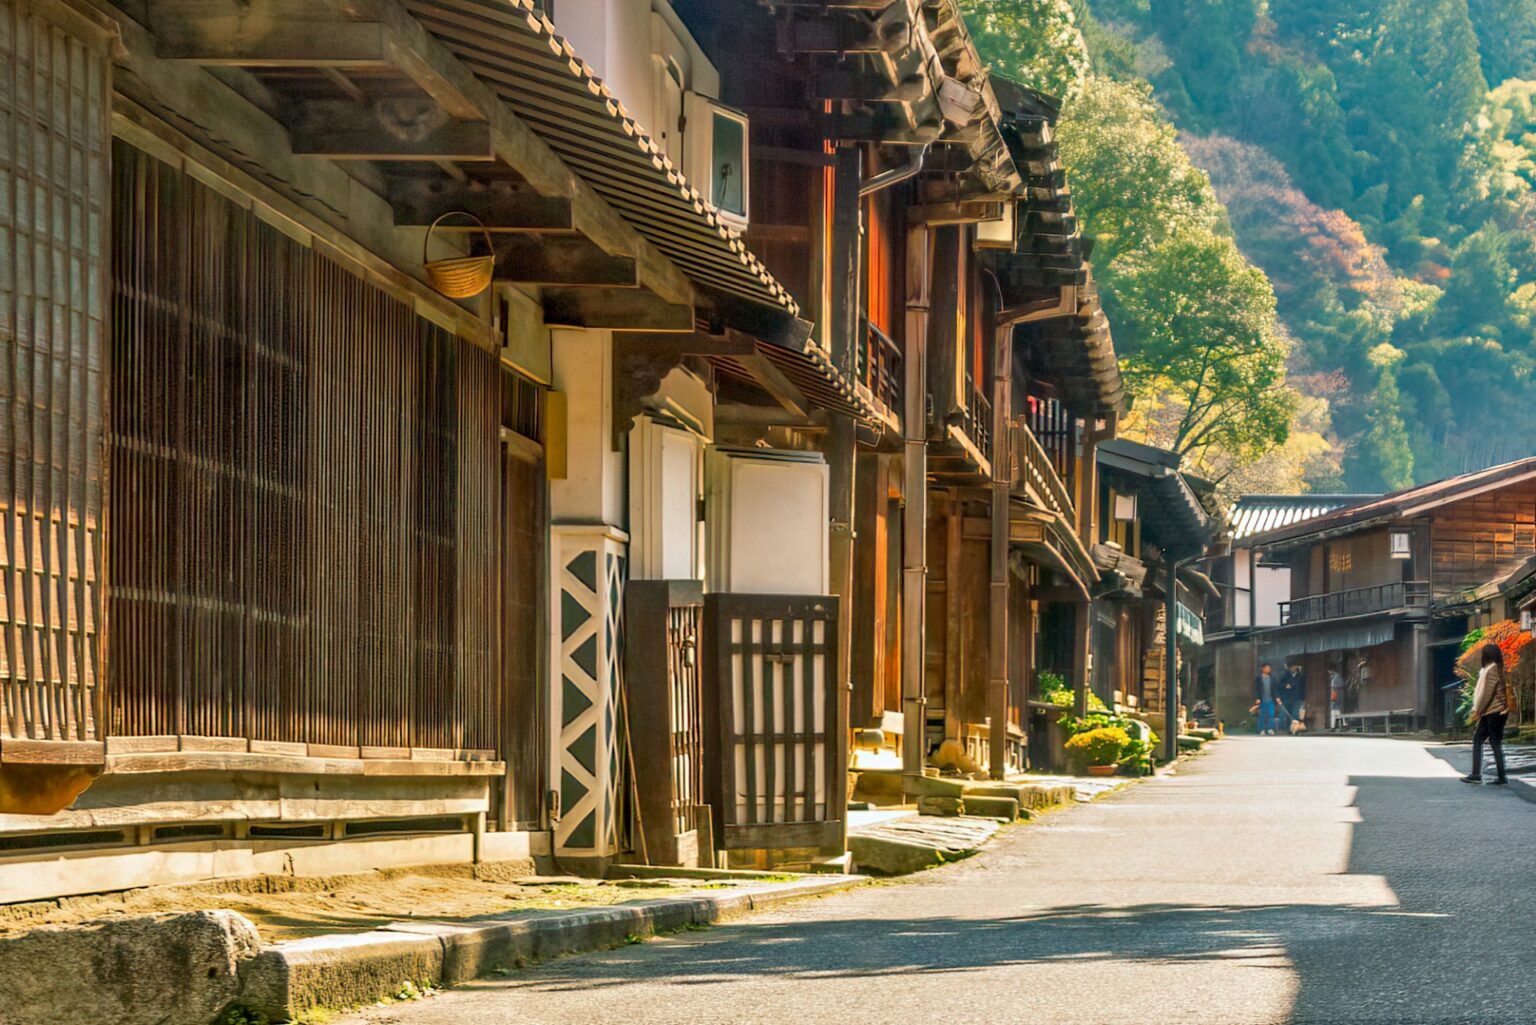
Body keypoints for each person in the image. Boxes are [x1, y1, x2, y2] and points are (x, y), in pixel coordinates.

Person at [1463, 643, 1514, 785]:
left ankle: (1477, 774)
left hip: (1493, 712)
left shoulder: (1491, 670)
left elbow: (1487, 693)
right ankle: (1499, 776)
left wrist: (1478, 710)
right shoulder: (1498, 669)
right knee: (1491, 742)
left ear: (1486, 655)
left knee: (1482, 741)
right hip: (1495, 712)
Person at [1277, 662, 1306, 732]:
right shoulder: (1285, 675)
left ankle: (1294, 729)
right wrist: (1285, 686)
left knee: (1295, 713)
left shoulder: (1301, 675)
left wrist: (1304, 698)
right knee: (1287, 714)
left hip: (1298, 697)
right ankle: (1288, 729)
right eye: (1290, 667)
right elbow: (1279, 685)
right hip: (1287, 697)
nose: (1292, 669)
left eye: (1293, 667)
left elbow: (1303, 687)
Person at [1254, 662, 1278, 736]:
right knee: (1262, 714)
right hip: (1262, 699)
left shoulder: (1272, 678)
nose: (1268, 669)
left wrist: (1277, 697)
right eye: (1267, 668)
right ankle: (1261, 729)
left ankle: (1270, 729)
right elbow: (1256, 689)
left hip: (1270, 699)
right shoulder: (1259, 678)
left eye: (1269, 668)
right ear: (1263, 668)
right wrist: (1257, 698)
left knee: (1271, 714)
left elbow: (1275, 689)